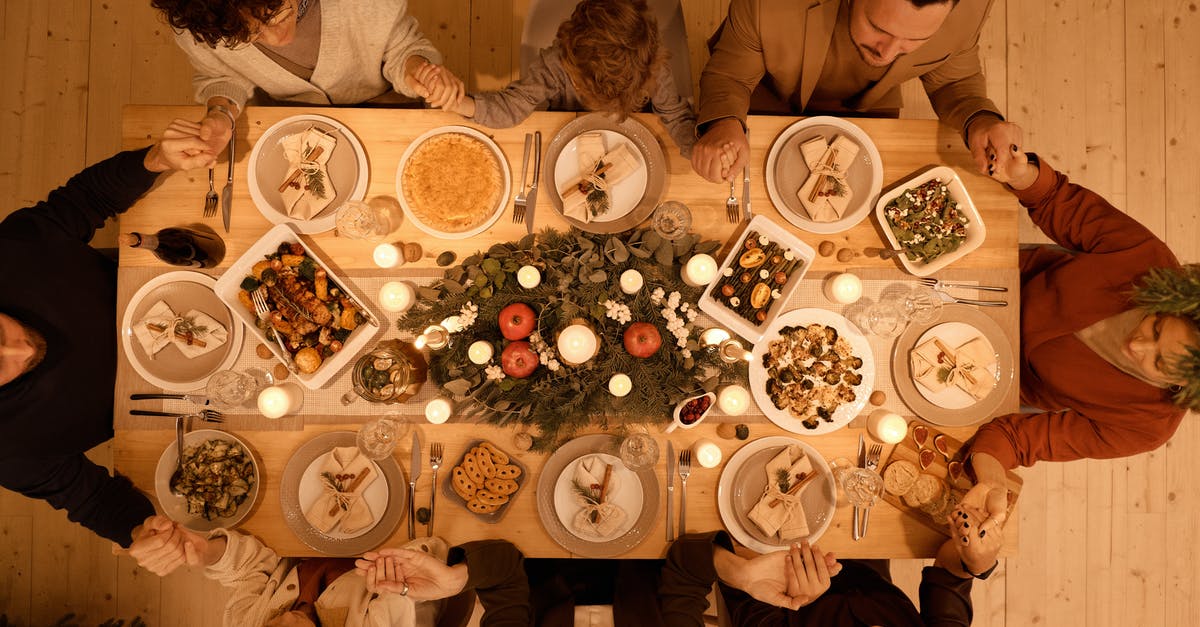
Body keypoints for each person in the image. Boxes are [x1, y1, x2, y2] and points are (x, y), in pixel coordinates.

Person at [0, 122, 218, 547]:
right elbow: (93, 500)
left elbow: (85, 199)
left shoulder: (9, 254)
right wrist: (139, 530)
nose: (20, 347)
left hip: (174, 284)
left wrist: (153, 160)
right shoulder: (9, 451)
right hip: (190, 399)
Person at [963, 147, 1200, 489]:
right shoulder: (1150, 261)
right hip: (997, 282)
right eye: (1156, 326)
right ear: (1170, 301)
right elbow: (1060, 201)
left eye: (1159, 362)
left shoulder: (1146, 426)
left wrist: (990, 482)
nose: (1138, 344)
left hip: (984, 372)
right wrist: (1022, 173)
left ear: (1180, 386)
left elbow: (1021, 440)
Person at [691, 0, 1023, 182]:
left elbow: (954, 81)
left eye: (915, 40)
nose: (888, 54)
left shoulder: (971, 8)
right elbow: (731, 76)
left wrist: (979, 119)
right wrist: (723, 123)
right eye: (879, 29)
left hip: (871, 113)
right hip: (762, 97)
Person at [658, 485, 1009, 625]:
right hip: (867, 547)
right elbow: (948, 572)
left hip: (764, 551)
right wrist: (975, 561)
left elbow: (683, 566)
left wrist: (741, 574)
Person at [150, 0, 460, 156]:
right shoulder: (204, 27)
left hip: (385, 106)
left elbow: (402, 47)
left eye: (281, 16)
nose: (277, 39)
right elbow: (220, 75)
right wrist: (220, 112)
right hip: (288, 120)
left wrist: (418, 69)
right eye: (252, 34)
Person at [127, 514, 530, 626]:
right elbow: (506, 567)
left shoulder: (247, 622)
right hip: (409, 531)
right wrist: (451, 580)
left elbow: (249, 571)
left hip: (308, 531)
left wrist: (207, 552)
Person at [419, 0, 697, 156]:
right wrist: (460, 103)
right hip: (566, 140)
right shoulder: (556, 62)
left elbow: (675, 116)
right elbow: (511, 106)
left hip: (639, 145)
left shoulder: (653, 68)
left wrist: (696, 149)